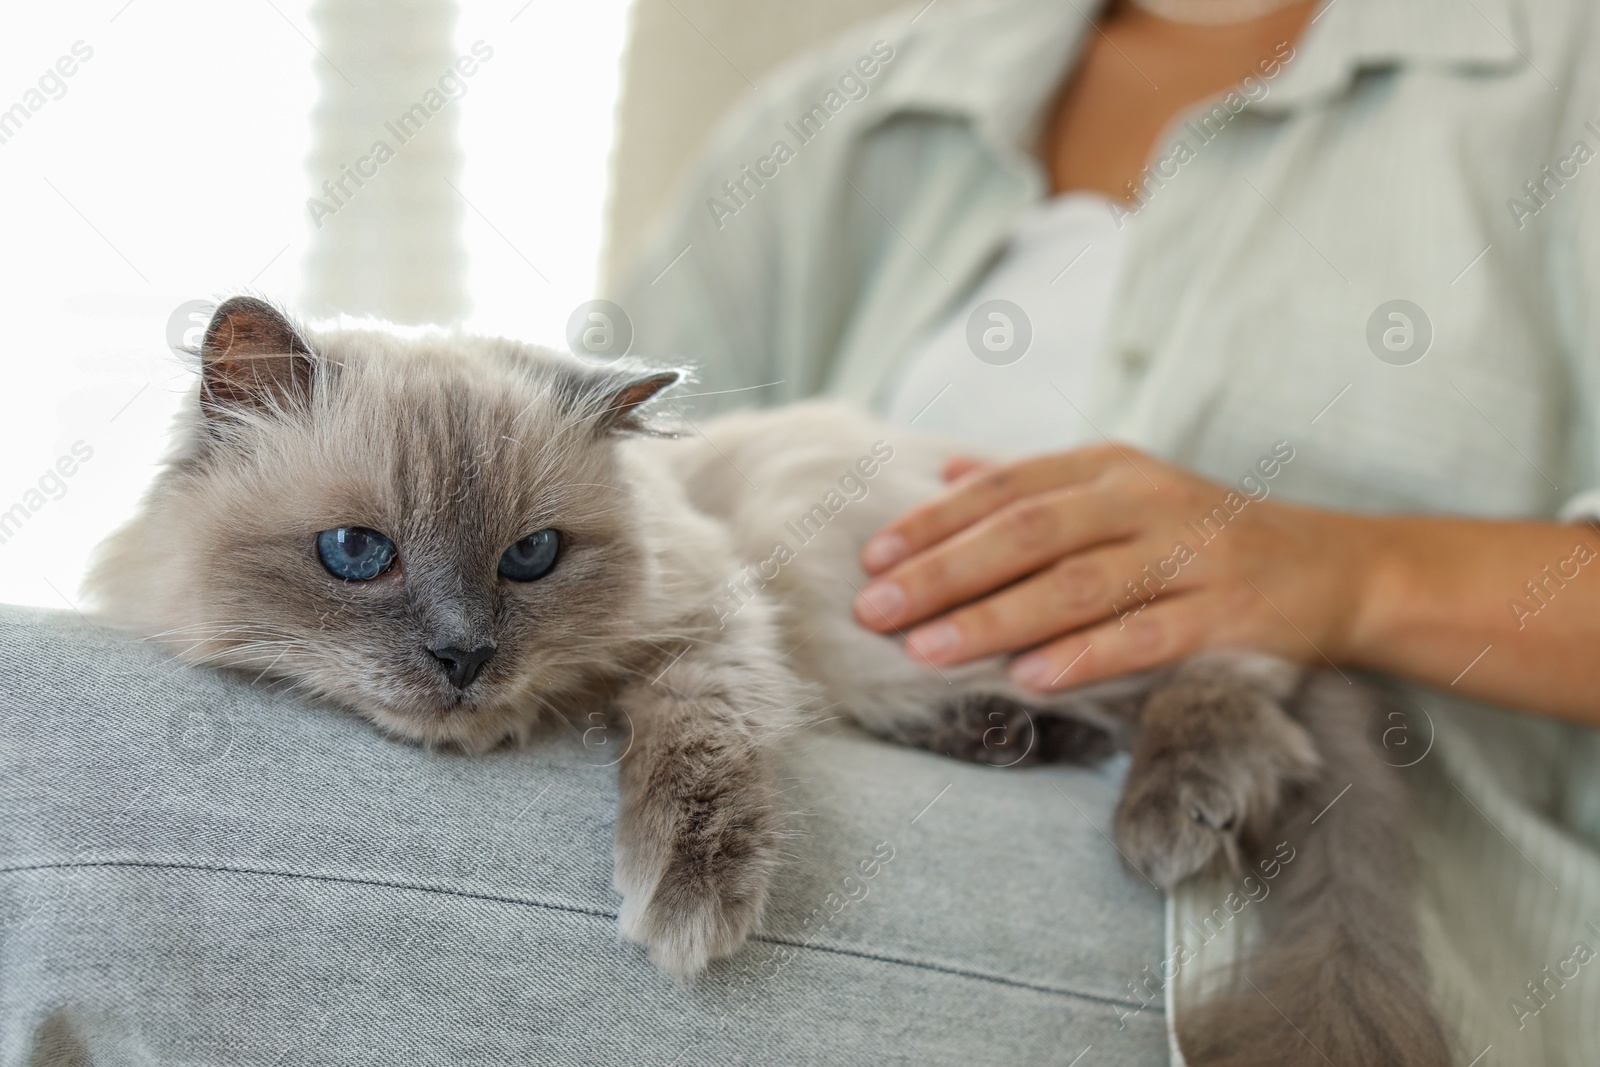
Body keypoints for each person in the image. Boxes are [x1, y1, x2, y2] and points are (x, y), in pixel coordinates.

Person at [617, 0, 1600, 1060]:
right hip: (853, 766)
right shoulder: (845, 116)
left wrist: (1354, 576)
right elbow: (583, 487)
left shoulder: (1561, 78)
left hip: (1326, 895)